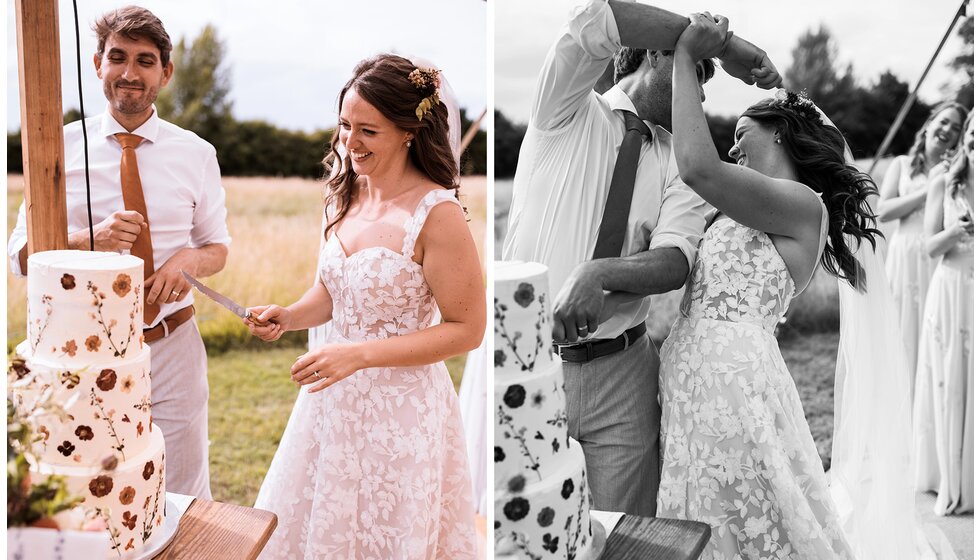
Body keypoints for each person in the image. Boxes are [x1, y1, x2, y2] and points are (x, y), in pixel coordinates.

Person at [656, 13, 934, 558]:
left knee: (744, 524)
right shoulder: (742, 207)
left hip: (732, 389)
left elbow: (697, 167)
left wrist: (688, 57)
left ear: (779, 130)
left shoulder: (806, 208)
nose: (733, 151)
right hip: (690, 385)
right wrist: (751, 62)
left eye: (740, 136)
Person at [501, 0, 781, 516]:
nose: (699, 95)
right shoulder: (563, 109)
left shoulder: (683, 163)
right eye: (696, 76)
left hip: (623, 378)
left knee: (623, 537)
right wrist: (726, 46)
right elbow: (595, 15)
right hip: (528, 363)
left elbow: (674, 260)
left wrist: (599, 272)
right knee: (528, 537)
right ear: (656, 55)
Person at [245, 54, 483, 559]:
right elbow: (331, 293)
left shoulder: (437, 214)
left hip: (403, 415)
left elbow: (467, 329)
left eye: (367, 131)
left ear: (408, 132)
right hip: (331, 403)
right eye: (344, 126)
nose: (350, 143)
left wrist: (357, 354)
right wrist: (288, 316)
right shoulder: (342, 197)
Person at [7, 6, 229, 500]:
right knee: (92, 488)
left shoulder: (197, 153)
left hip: (173, 344)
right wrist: (91, 241)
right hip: (86, 350)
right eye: (118, 57)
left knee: (183, 488)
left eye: (145, 61)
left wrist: (188, 261)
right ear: (97, 65)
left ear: (165, 73)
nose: (130, 73)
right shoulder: (55, 148)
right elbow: (19, 256)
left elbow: (216, 248)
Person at [879, 101, 967, 394]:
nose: (947, 131)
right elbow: (885, 211)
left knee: (933, 332)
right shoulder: (902, 165)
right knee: (902, 333)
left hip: (938, 258)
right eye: (943, 122)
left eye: (956, 128)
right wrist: (928, 191)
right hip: (904, 261)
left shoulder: (956, 173)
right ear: (930, 124)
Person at [913, 110, 974, 516]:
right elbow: (927, 246)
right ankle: (948, 478)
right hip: (951, 289)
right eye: (974, 132)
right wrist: (954, 233)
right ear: (965, 137)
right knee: (949, 384)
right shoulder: (945, 182)